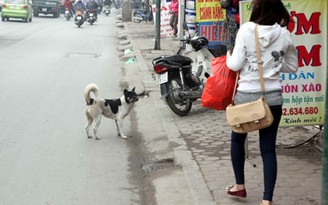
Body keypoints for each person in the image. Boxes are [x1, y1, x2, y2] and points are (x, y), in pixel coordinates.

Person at [225, 0, 298, 205]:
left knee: (238, 140)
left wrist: (229, 56)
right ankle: (267, 201)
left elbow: (235, 64)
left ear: (257, 8)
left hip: (246, 96)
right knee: (268, 149)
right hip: (273, 98)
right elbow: (293, 67)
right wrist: (272, 66)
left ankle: (239, 186)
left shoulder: (246, 29)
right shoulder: (284, 34)